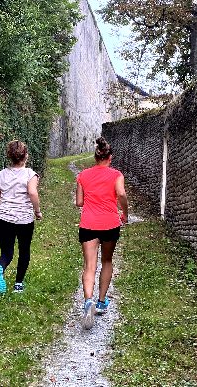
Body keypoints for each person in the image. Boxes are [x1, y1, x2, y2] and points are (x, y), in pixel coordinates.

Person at [75, 136, 128, 329]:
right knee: (106, 261)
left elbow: (79, 202)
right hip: (109, 224)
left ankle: (88, 300)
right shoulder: (116, 175)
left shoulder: (83, 175)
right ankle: (101, 301)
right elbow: (121, 194)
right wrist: (125, 213)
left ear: (95, 157)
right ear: (110, 157)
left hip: (88, 223)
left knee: (89, 265)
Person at [0, 140, 42, 293]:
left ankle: (0, 267)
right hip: (24, 220)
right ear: (25, 156)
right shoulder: (30, 174)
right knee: (24, 250)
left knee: (7, 253)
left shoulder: (2, 174)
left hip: (3, 218)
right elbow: (32, 192)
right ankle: (18, 284)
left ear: (10, 156)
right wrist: (37, 211)